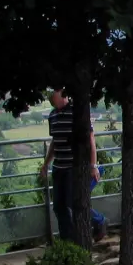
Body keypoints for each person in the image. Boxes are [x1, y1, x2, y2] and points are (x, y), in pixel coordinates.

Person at [38, 88, 100, 243]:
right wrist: (46, 164)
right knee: (59, 206)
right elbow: (55, 142)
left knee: (73, 202)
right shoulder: (53, 115)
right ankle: (67, 240)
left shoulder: (76, 112)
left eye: (55, 94)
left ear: (63, 95)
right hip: (59, 166)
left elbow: (90, 140)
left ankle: (99, 221)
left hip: (73, 166)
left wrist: (93, 165)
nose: (53, 97)